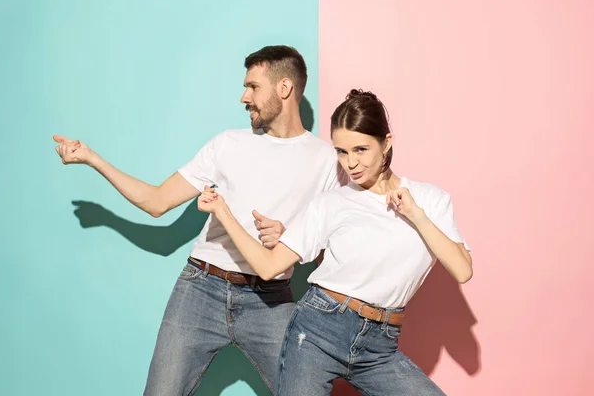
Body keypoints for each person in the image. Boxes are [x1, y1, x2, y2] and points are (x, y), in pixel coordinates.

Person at [53, 45, 344, 396]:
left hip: (270, 300)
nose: (243, 97)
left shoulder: (327, 161)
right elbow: (158, 202)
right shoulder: (227, 144)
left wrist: (291, 237)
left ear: (284, 88)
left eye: (253, 87)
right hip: (201, 289)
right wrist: (91, 158)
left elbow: (331, 251)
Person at [198, 89, 473, 395]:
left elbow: (462, 270)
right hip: (316, 331)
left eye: (360, 149)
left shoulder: (429, 200)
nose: (351, 163)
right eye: (341, 152)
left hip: (380, 345)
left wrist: (416, 215)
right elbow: (268, 266)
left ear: (386, 143)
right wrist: (222, 212)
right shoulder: (331, 203)